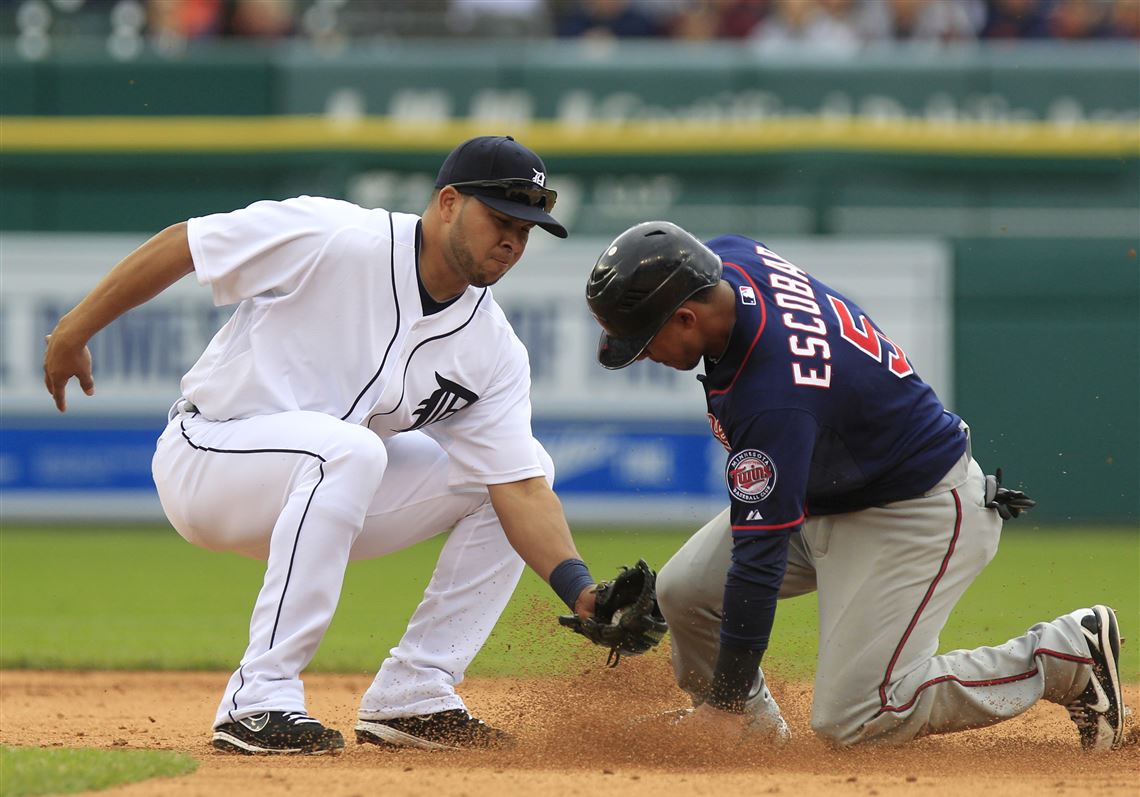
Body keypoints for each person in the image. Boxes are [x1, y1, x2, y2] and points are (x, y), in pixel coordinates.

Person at [42, 135, 609, 756]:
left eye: (527, 230)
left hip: (328, 492)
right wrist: (75, 328)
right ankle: (258, 700)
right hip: (208, 456)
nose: (512, 240)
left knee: (512, 472)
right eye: (502, 219)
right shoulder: (336, 235)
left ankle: (416, 695)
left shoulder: (493, 348)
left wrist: (583, 592)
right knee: (347, 451)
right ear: (448, 202)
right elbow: (189, 243)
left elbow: (520, 487)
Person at [583, 221, 1127, 750]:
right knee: (685, 592)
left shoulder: (773, 393)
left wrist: (719, 702)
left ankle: (1064, 655)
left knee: (856, 717)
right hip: (831, 493)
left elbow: (758, 557)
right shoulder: (728, 259)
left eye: (644, 341)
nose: (643, 355)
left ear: (685, 317)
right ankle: (748, 731)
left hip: (912, 512)